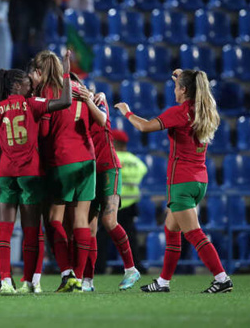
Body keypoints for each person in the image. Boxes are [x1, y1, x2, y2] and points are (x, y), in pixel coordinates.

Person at [115, 69, 233, 294]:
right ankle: (163, 282)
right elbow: (195, 88)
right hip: (199, 180)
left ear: (184, 90)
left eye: (177, 87)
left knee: (193, 233)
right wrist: (184, 78)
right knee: (171, 229)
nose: (174, 90)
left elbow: (145, 126)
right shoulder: (204, 110)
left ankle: (222, 278)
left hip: (182, 181)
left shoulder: (180, 112)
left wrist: (127, 113)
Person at [0, 67, 71, 293]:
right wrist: (65, 71)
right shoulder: (32, 103)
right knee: (30, 230)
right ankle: (28, 283)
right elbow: (65, 101)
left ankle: (5, 281)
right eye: (28, 82)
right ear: (17, 85)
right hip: (30, 174)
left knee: (4, 230)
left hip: (6, 174)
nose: (31, 86)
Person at [32, 50, 105, 292]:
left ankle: (68, 274)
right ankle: (82, 278)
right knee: (81, 220)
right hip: (87, 158)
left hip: (61, 160)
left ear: (41, 71)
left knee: (54, 219)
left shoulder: (47, 92)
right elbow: (98, 122)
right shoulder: (79, 87)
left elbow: (43, 133)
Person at [80, 83, 140, 292]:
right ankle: (88, 280)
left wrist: (93, 96)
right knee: (89, 228)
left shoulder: (97, 102)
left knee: (109, 220)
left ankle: (131, 269)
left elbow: (103, 117)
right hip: (91, 171)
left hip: (109, 168)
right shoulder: (75, 111)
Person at [111, 129, 147, 272]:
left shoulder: (112, 157)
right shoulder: (136, 161)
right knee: (130, 237)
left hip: (112, 203)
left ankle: (98, 267)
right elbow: (144, 170)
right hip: (130, 205)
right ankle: (136, 265)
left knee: (103, 237)